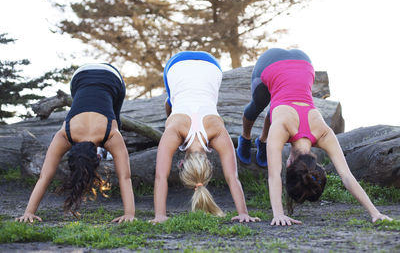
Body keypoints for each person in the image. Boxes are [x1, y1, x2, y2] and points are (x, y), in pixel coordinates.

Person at [237, 48, 392, 225]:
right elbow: (274, 176)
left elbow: (347, 176)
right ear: (289, 164)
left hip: (304, 62)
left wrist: (375, 212)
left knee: (277, 106)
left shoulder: (323, 132)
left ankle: (263, 141)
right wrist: (278, 214)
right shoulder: (286, 128)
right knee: (258, 104)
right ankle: (246, 137)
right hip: (270, 62)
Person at [16, 63, 135, 223]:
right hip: (86, 76)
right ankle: (104, 152)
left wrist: (29, 212)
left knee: (116, 120)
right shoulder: (71, 134)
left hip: (101, 76)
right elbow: (125, 177)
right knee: (114, 120)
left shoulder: (72, 134)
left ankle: (104, 153)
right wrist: (129, 214)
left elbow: (44, 176)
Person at [151, 51, 260, 223]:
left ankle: (173, 102)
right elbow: (160, 177)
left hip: (212, 66)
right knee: (174, 100)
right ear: (182, 164)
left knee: (175, 100)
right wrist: (160, 215)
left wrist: (243, 213)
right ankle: (174, 102)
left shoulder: (216, 131)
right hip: (176, 65)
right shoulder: (173, 130)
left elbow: (233, 178)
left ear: (208, 162)